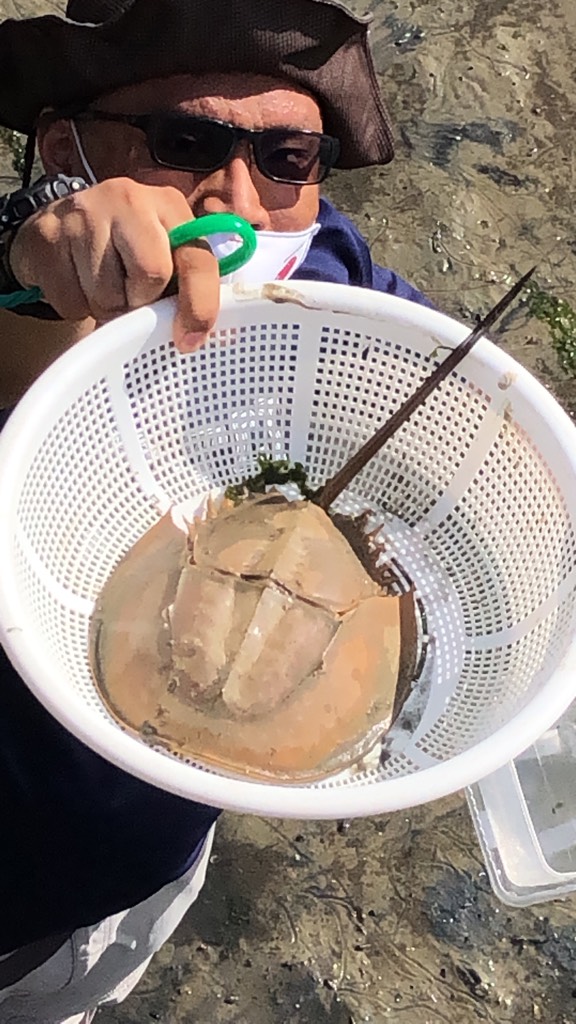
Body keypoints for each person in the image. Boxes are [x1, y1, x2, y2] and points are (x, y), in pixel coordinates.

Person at [0, 0, 432, 1020]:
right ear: (67, 152)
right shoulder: (43, 275)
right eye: (183, 141)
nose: (235, 191)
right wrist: (28, 272)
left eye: (287, 157)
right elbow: (28, 292)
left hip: (145, 877)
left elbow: (459, 395)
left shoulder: (330, 275)